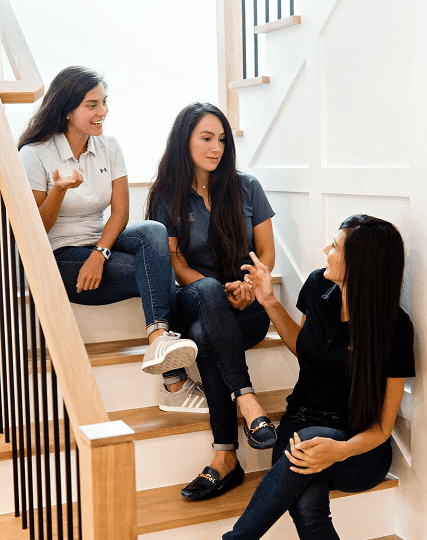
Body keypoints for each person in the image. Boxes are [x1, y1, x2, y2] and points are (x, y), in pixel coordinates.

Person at [18, 66, 207, 413]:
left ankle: (158, 338)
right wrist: (58, 190)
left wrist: (100, 253)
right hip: (57, 255)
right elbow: (35, 229)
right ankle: (174, 382)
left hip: (98, 246)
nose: (102, 112)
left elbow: (120, 212)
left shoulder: (109, 147)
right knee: (156, 272)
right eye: (92, 105)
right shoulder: (35, 153)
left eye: (104, 102)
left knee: (153, 231)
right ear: (67, 109)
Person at [222, 214, 415, 539]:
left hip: (358, 445)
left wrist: (340, 450)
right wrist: (268, 300)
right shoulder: (317, 285)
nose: (327, 250)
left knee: (306, 451)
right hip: (298, 426)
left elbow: (382, 428)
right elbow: (305, 348)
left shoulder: (394, 328)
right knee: (308, 500)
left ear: (360, 263)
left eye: (335, 246)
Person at [146, 102, 278, 501]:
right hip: (196, 297)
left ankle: (226, 457)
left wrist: (249, 285)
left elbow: (265, 254)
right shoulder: (167, 195)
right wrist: (218, 292)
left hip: (246, 306)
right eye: (206, 138)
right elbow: (174, 262)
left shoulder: (247, 187)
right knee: (205, 293)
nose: (216, 147)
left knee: (205, 335)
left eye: (221, 139)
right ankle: (248, 401)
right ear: (184, 140)